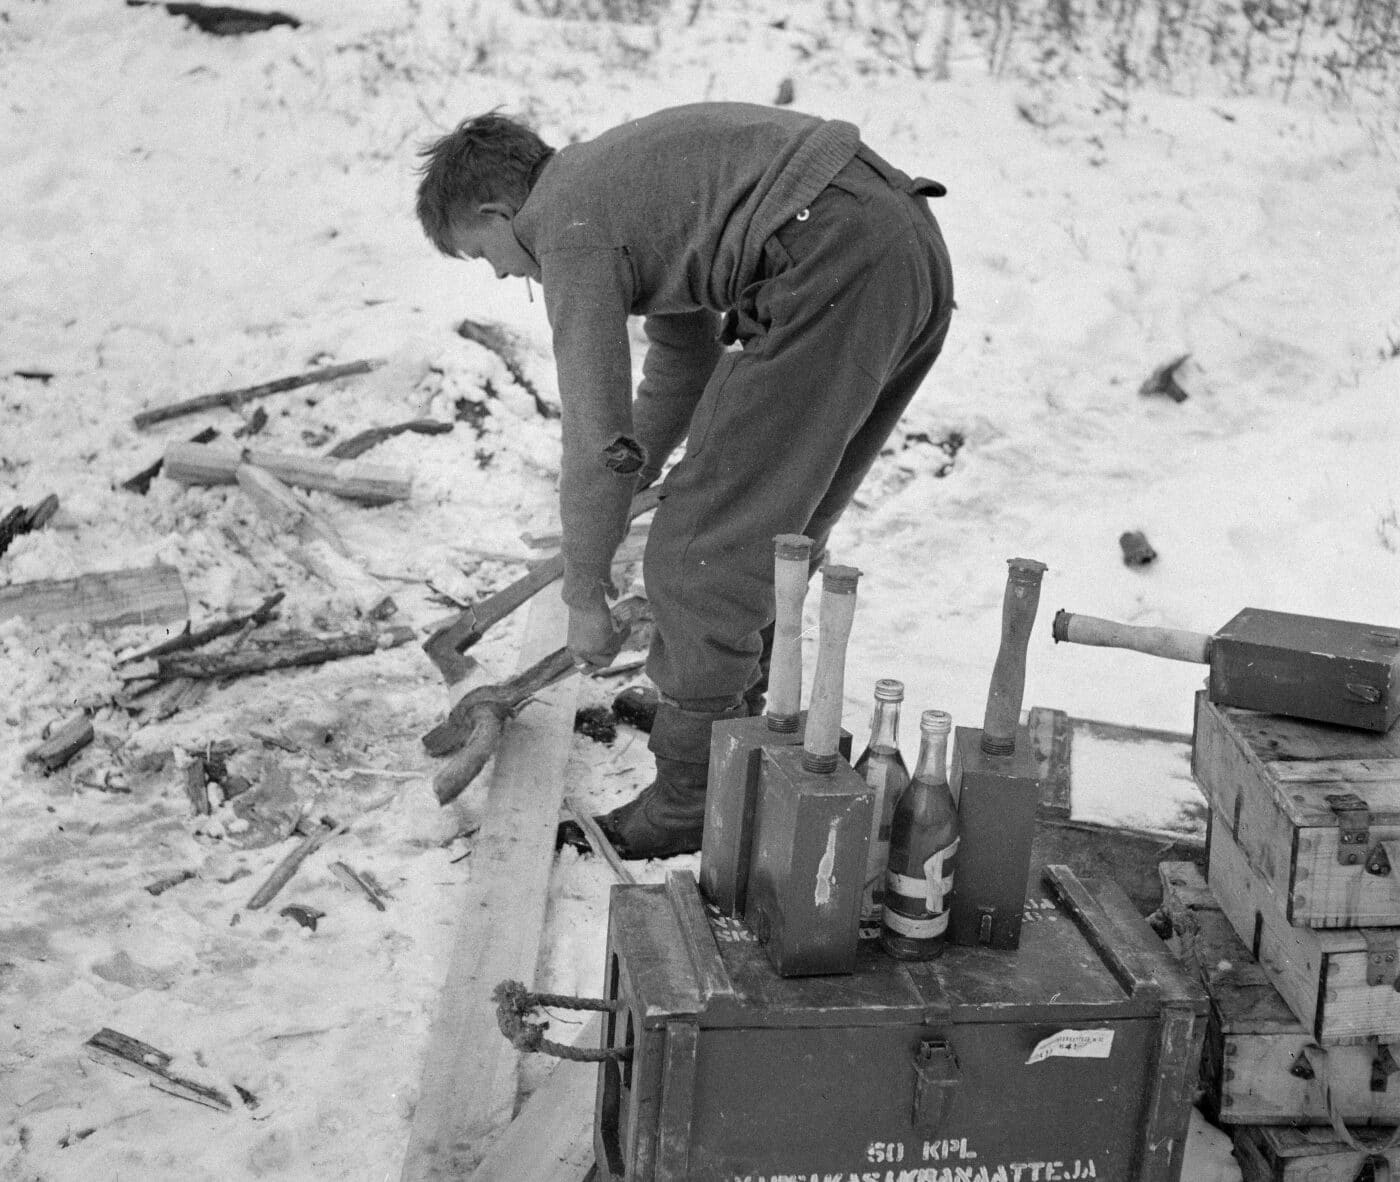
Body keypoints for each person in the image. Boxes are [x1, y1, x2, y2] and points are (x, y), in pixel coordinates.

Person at [415, 102, 954, 860]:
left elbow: (594, 433)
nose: (504, 274)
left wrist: (583, 593)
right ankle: (732, 729)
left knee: (695, 558)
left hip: (831, 255)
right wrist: (643, 468)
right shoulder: (615, 185)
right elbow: (680, 366)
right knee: (775, 534)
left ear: (500, 212)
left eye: (485, 255)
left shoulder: (569, 229)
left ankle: (691, 796)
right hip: (901, 244)